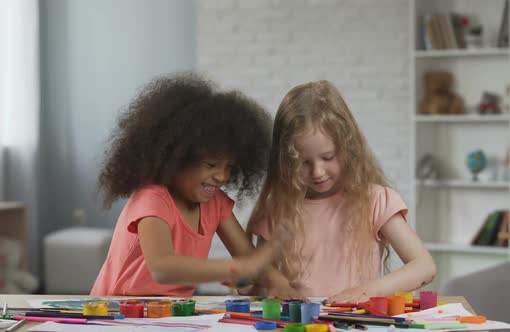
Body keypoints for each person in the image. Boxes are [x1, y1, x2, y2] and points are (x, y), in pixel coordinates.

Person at [247, 80, 436, 303]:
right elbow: (262, 276)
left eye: (328, 157)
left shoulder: (375, 200)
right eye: (303, 162)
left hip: (354, 323)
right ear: (285, 161)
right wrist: (261, 283)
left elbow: (424, 267)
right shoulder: (278, 207)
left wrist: (367, 292)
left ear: (348, 148)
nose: (317, 172)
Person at [91, 72, 276, 296]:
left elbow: (249, 259)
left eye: (229, 167)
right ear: (177, 158)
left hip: (171, 316)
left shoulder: (214, 203)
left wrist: (269, 282)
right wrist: (234, 269)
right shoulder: (152, 199)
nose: (222, 176)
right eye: (211, 164)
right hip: (116, 316)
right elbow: (162, 268)